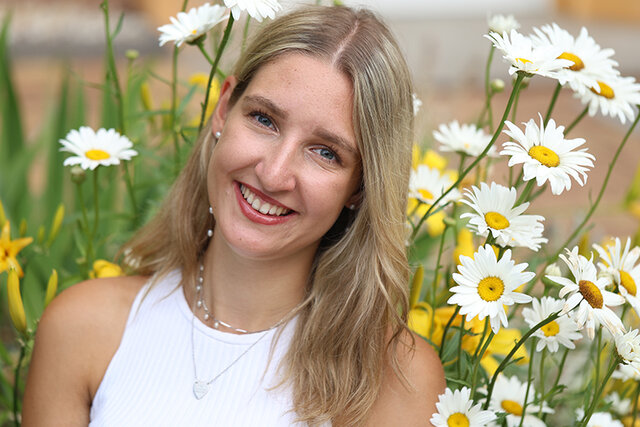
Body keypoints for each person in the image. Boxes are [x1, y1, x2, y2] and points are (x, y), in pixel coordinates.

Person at [22, 5, 445, 426]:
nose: (274, 173)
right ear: (224, 108)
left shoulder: (397, 380)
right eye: (264, 119)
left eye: (325, 152)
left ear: (360, 186)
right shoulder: (82, 328)